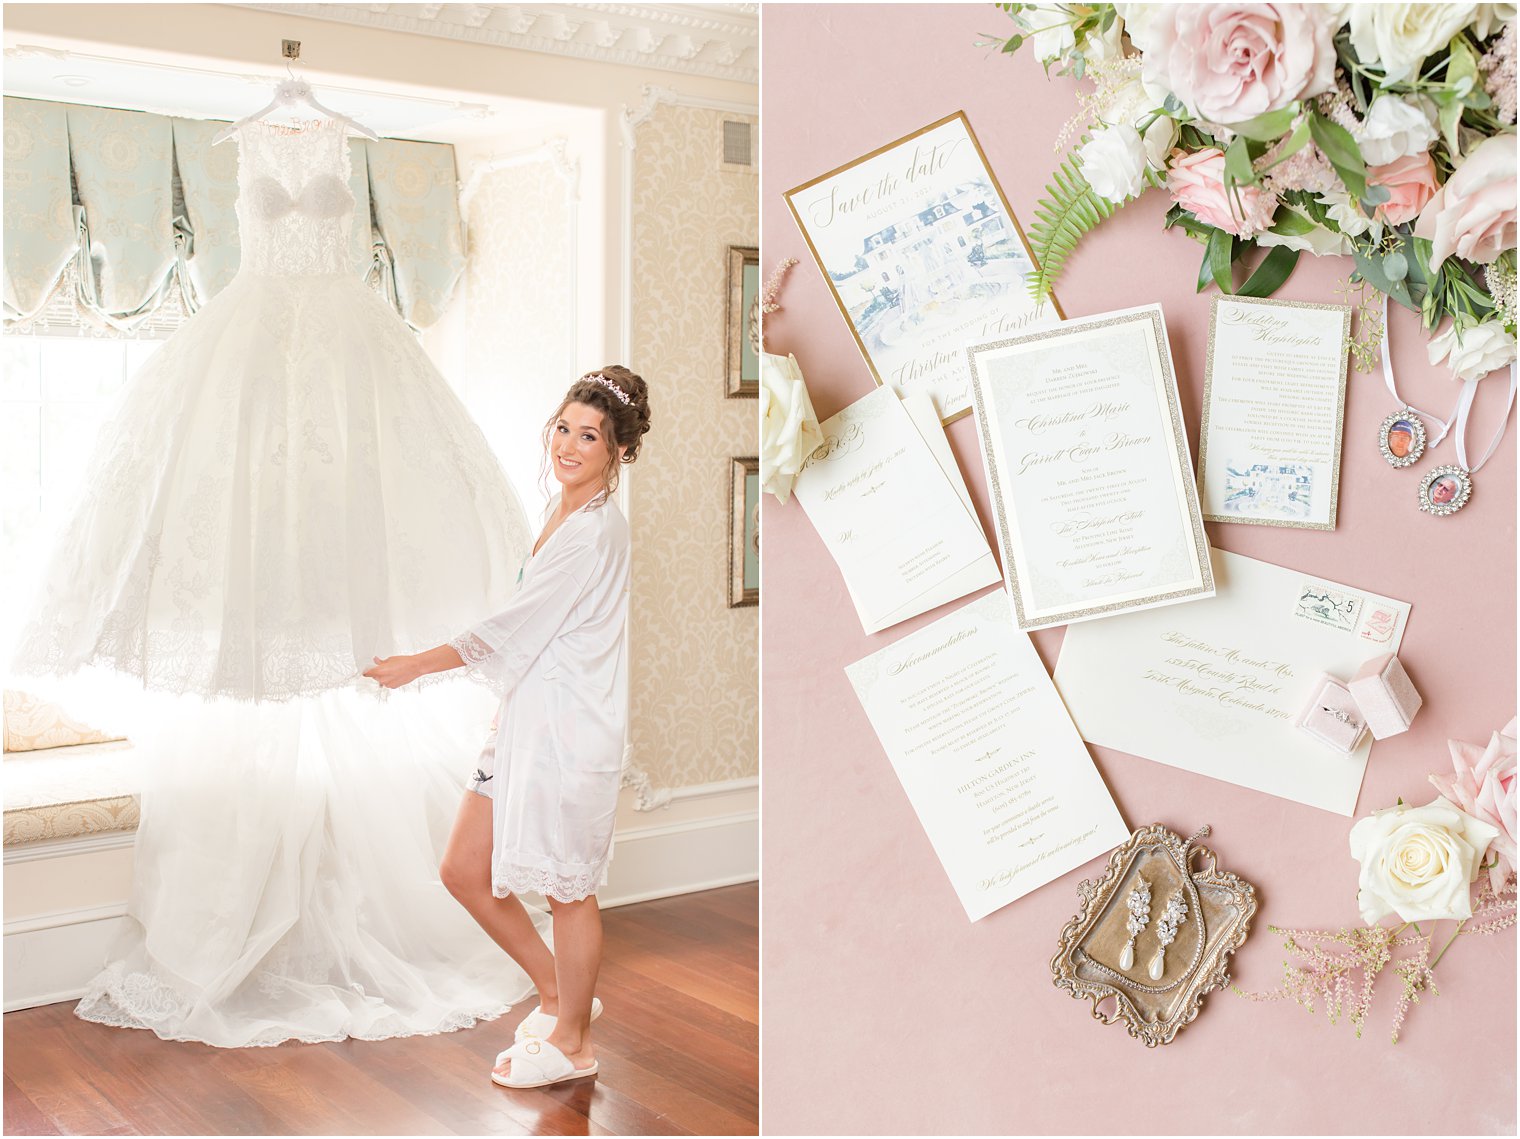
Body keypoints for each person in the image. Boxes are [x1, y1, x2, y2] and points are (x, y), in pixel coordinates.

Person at [365, 366, 650, 1090]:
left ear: (618, 452)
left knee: (568, 891)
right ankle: (561, 992)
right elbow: (541, 634)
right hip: (526, 723)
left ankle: (575, 1041)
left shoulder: (591, 533)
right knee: (464, 866)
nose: (569, 443)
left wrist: (417, 664)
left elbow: (511, 628)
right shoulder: (560, 513)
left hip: (567, 736)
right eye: (563, 427)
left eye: (589, 435)